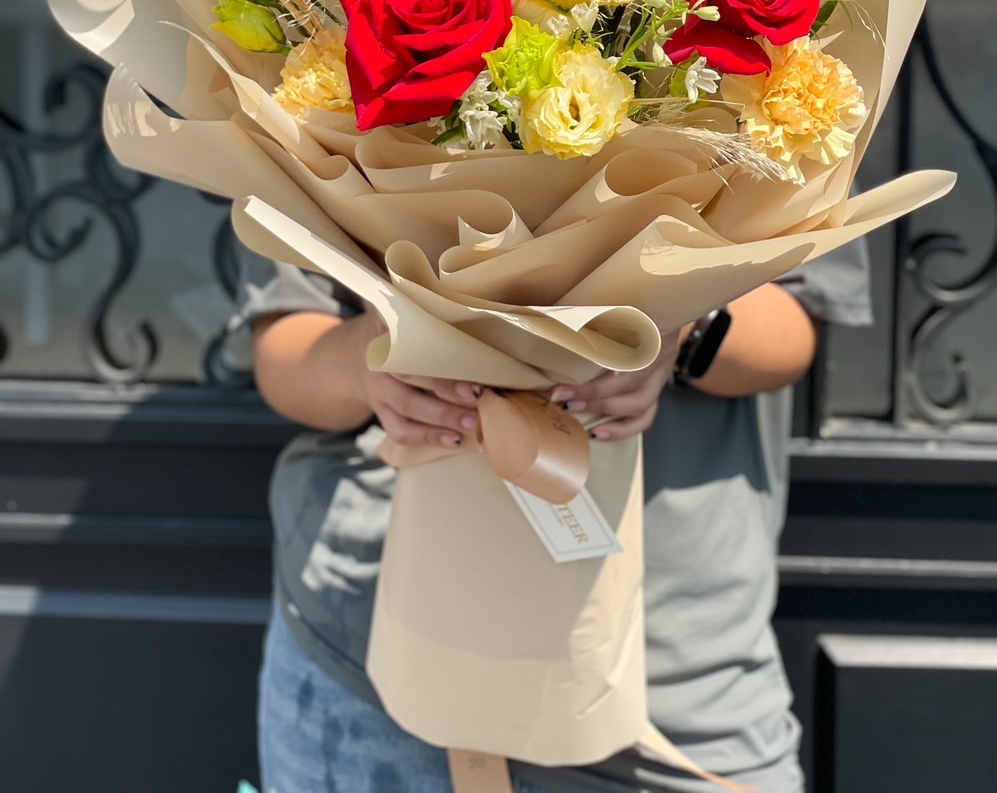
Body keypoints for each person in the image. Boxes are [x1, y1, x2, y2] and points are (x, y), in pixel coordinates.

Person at [237, 240, 870, 793]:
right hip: (366, 659)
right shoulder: (321, 100)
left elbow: (797, 319)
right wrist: (373, 358)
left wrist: (680, 330)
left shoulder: (773, 102)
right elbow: (286, 341)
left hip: (667, 685)